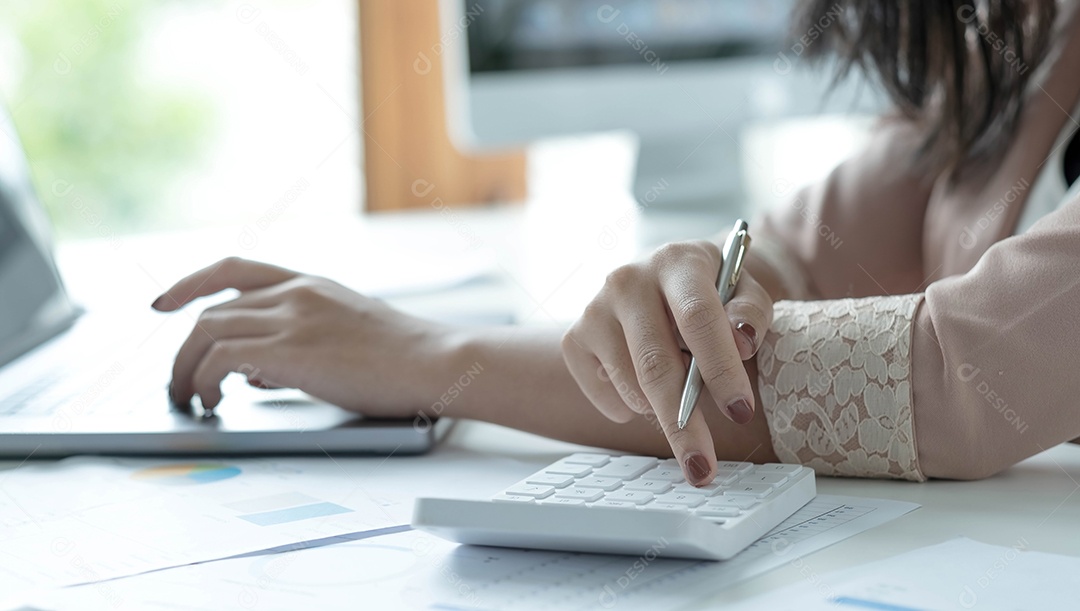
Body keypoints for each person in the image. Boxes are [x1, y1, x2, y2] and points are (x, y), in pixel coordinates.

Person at [152, 0, 1080, 487]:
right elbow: (804, 251)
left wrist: (429, 356)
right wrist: (702, 291)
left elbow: (954, 377)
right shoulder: (1033, 34)